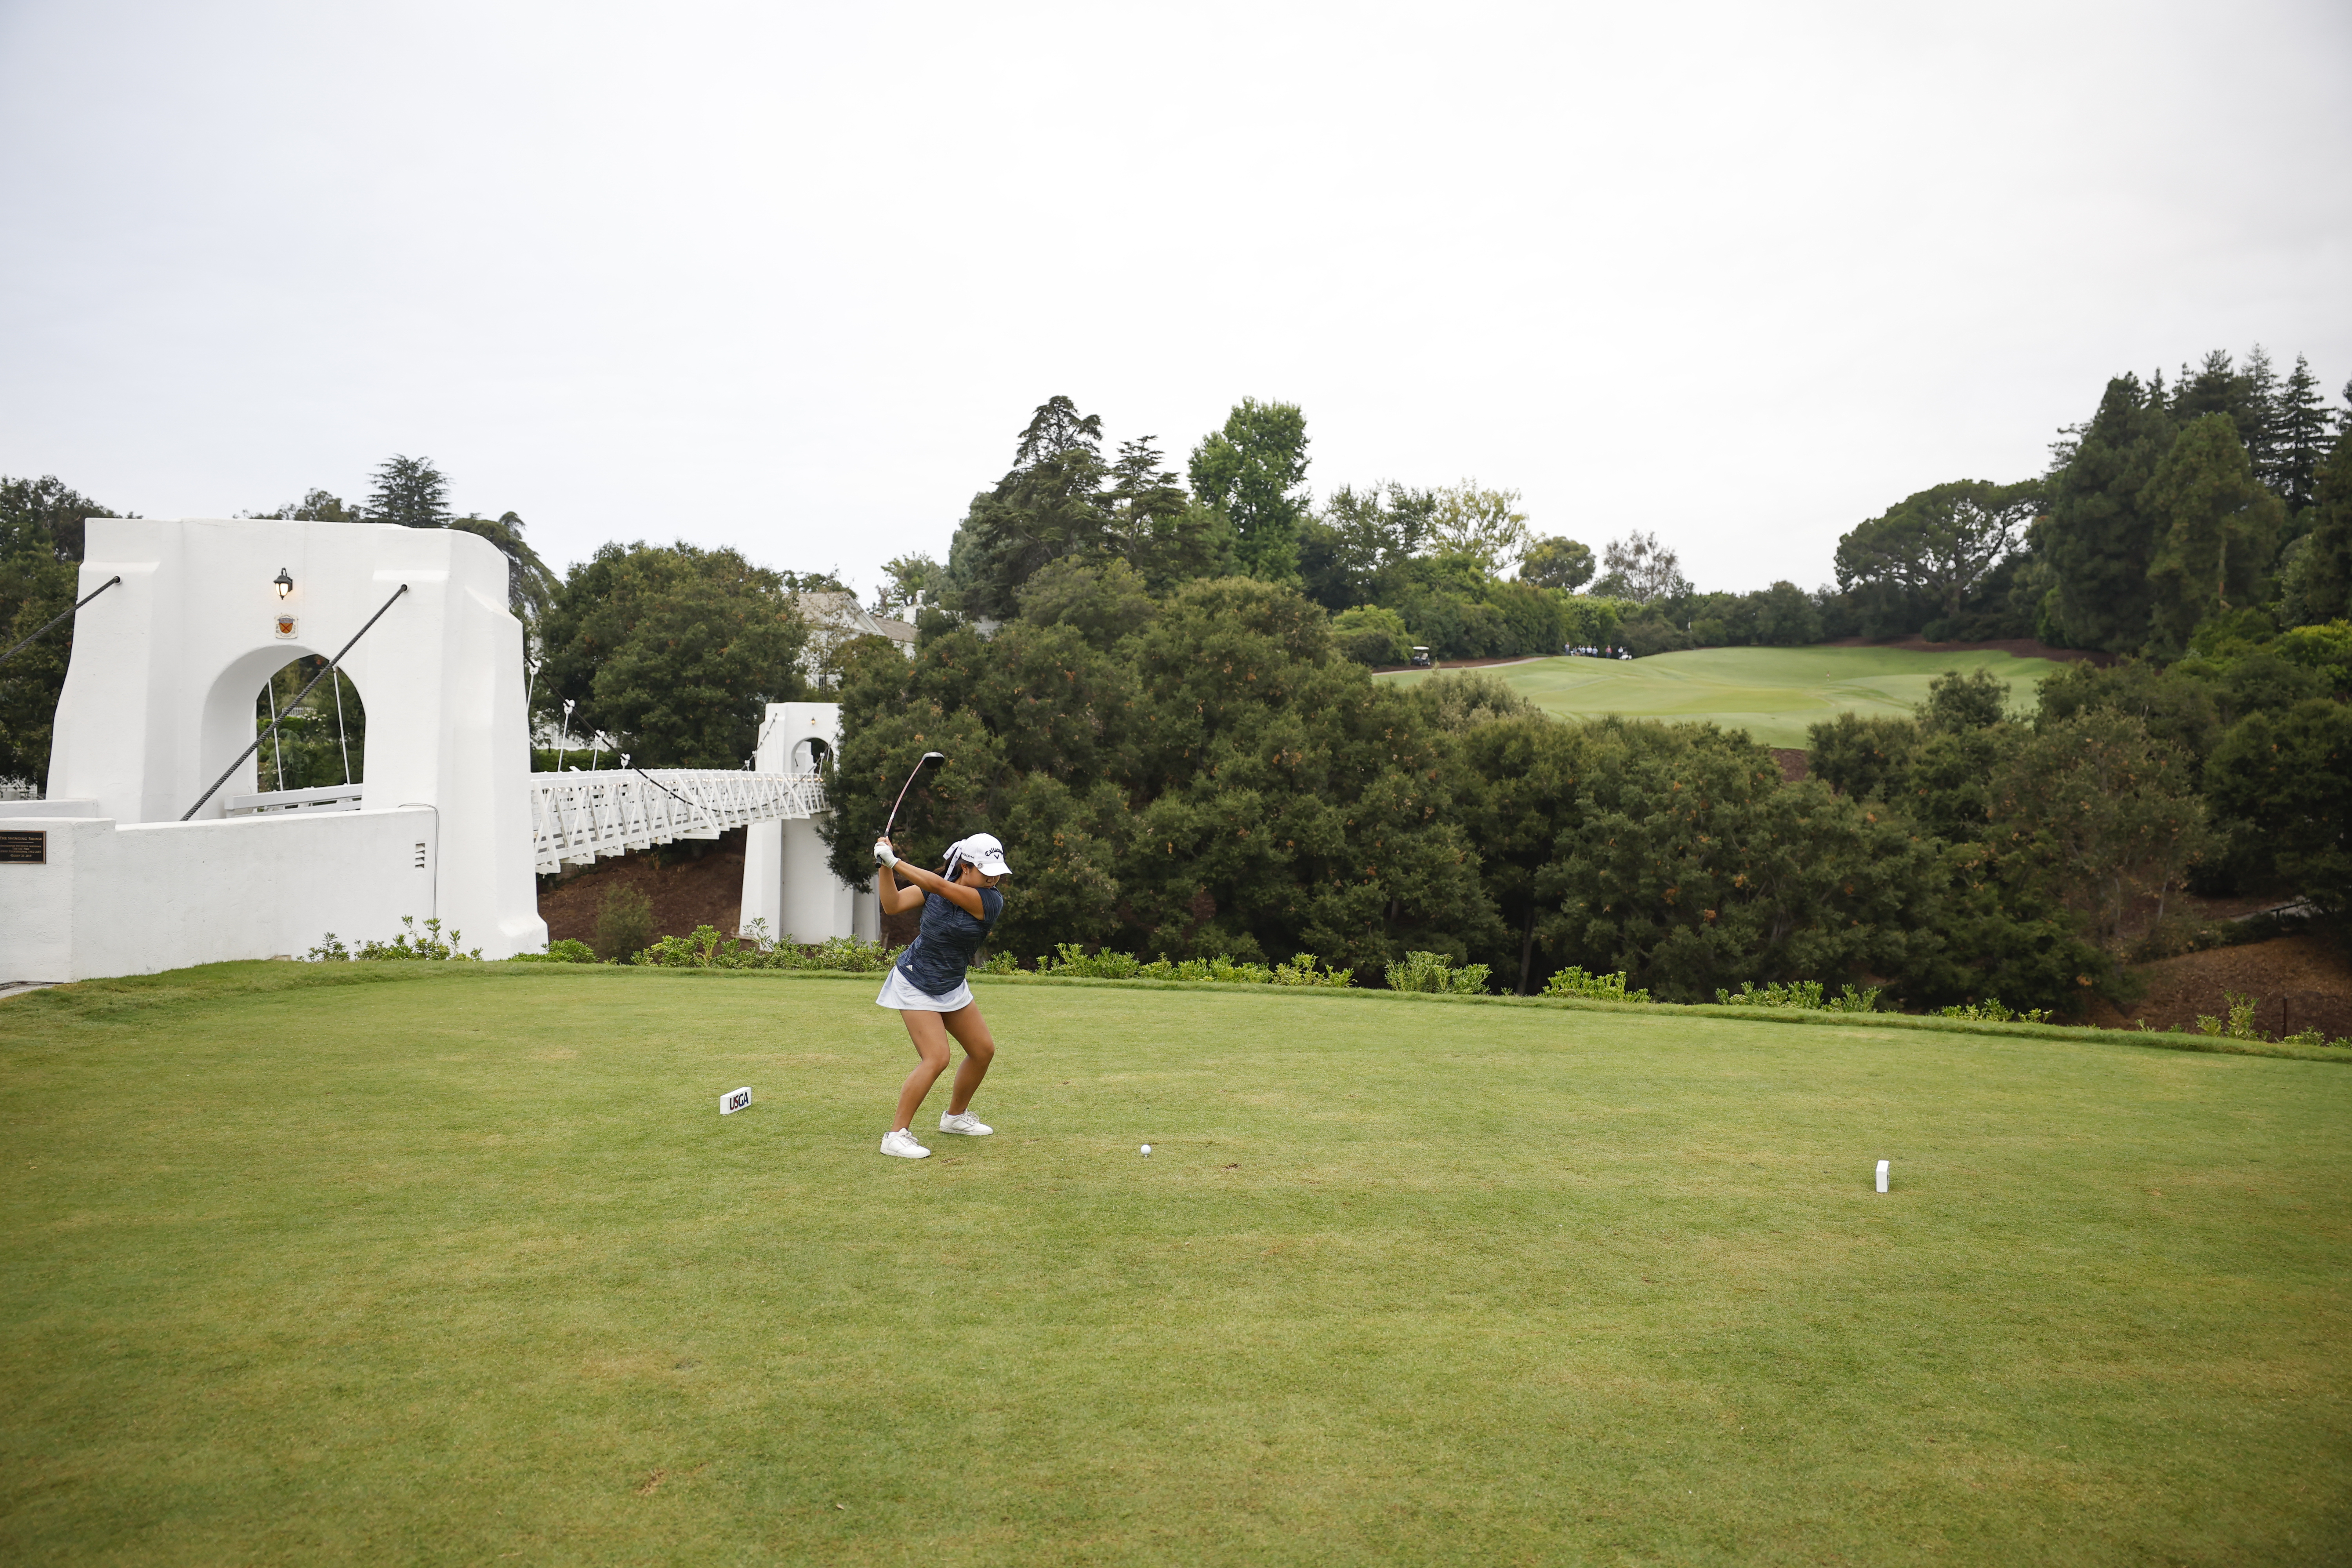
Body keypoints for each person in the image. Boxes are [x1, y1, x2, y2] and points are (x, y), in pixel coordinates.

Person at [871, 831, 1010, 1159]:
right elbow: (893, 905)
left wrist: (896, 861)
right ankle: (895, 1135)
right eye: (986, 873)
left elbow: (940, 887)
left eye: (997, 873)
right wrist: (884, 866)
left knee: (982, 1050)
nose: (994, 880)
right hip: (915, 982)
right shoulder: (933, 885)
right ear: (965, 867)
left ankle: (955, 1118)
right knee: (937, 1058)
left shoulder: (991, 901)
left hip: (950, 984)